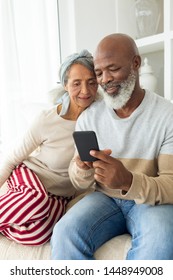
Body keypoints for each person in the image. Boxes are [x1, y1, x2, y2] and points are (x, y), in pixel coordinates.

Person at [51, 33, 173, 260]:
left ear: (135, 64)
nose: (105, 79)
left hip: (150, 202)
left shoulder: (167, 115)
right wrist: (82, 168)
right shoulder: (89, 118)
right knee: (64, 233)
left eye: (113, 69)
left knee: (161, 239)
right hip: (105, 199)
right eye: (98, 73)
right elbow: (79, 181)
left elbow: (171, 183)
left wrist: (128, 181)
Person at [0, 49, 98, 245]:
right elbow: (12, 158)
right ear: (65, 85)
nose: (85, 91)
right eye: (76, 83)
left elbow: (84, 178)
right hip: (30, 177)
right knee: (36, 201)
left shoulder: (99, 120)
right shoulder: (47, 120)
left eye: (91, 82)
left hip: (59, 195)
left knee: (40, 234)